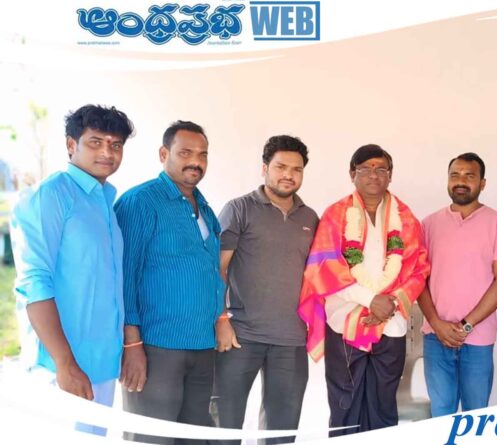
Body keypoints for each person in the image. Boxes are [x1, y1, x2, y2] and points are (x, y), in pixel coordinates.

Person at [11, 104, 134, 436]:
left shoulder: (104, 202)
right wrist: (64, 362)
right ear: (71, 145)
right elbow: (34, 283)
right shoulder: (50, 196)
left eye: (116, 144)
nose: (107, 152)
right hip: (61, 365)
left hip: (101, 363)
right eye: (95, 142)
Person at [297, 144, 429, 435]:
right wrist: (371, 300)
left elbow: (418, 270)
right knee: (345, 407)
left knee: (383, 407)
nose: (373, 174)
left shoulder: (406, 219)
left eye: (381, 168)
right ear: (352, 174)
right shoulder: (336, 215)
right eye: (365, 168)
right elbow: (324, 267)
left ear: (390, 175)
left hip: (391, 324)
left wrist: (389, 304)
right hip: (344, 325)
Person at [115, 121, 225, 444]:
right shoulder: (140, 201)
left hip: (201, 346)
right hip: (156, 347)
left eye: (202, 155)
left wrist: (220, 319)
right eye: (185, 153)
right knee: (152, 438)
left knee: (194, 438)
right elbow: (125, 275)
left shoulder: (204, 207)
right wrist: (132, 345)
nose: (196, 162)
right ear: (164, 154)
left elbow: (211, 273)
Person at [213, 135, 318, 445]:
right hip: (240, 336)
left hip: (291, 340)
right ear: (264, 168)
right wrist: (221, 319)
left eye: (296, 169)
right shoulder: (239, 209)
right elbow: (216, 269)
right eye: (281, 167)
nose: (288, 175)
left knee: (281, 433)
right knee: (224, 427)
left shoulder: (310, 218)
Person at [417, 152, 497, 416]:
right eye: (455, 175)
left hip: (477, 338)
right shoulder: (428, 224)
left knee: (476, 415)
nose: (461, 181)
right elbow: (418, 279)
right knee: (441, 414)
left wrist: (466, 325)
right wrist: (436, 323)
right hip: (436, 336)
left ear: (482, 183)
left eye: (469, 176)